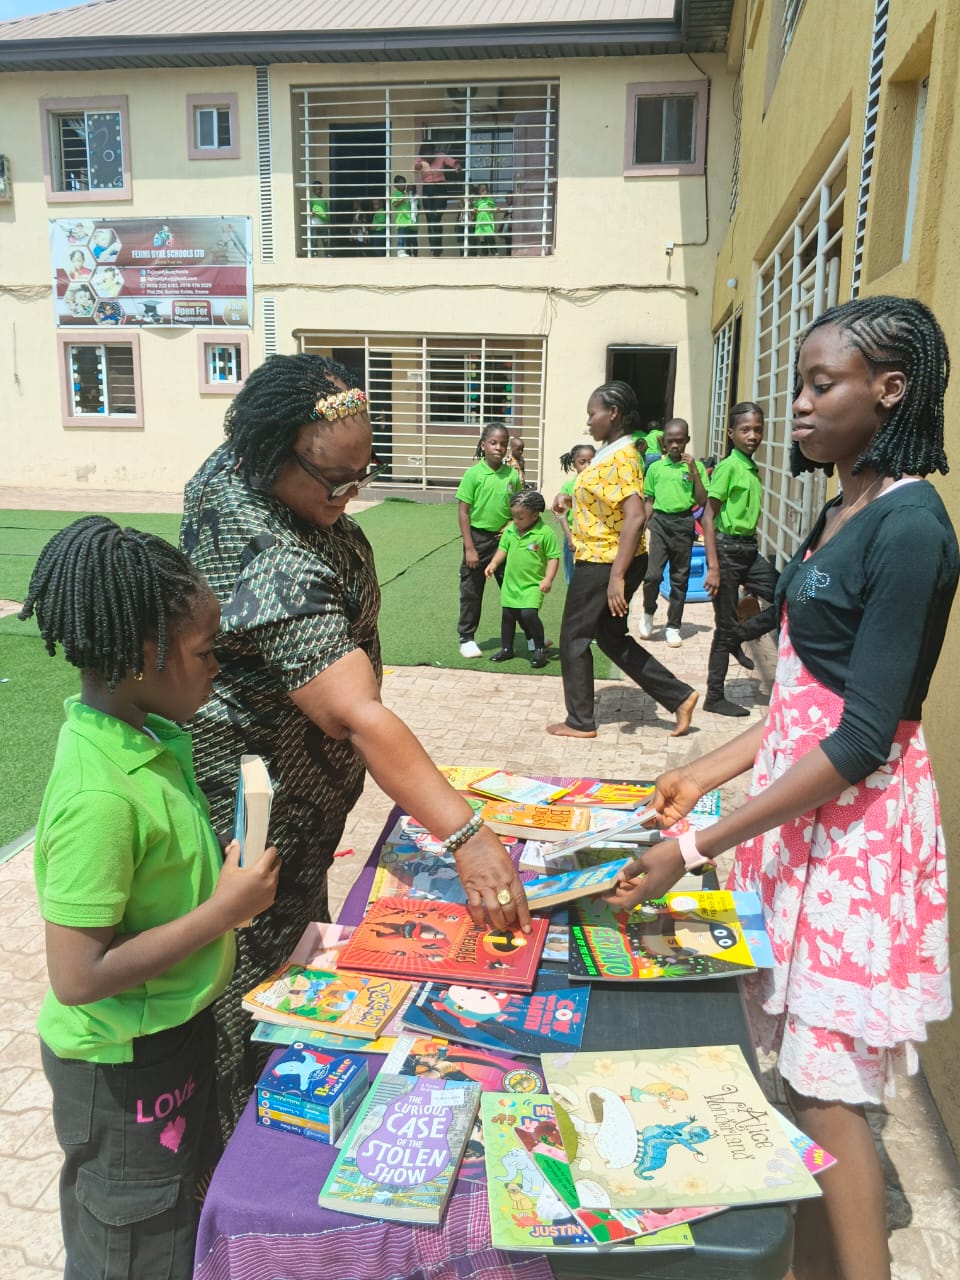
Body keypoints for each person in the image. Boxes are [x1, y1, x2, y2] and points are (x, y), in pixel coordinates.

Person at [606, 296, 957, 1280]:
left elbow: (858, 739)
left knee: (827, 1088)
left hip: (854, 837)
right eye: (799, 382)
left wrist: (694, 845)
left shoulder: (913, 527)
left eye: (821, 384)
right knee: (801, 1083)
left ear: (888, 390)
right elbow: (805, 702)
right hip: (805, 819)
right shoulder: (843, 508)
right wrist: (701, 771)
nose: (797, 405)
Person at [181, 356, 530, 1131]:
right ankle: (243, 1136)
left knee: (295, 940)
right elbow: (353, 713)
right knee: (255, 981)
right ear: (268, 457)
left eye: (362, 474)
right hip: (260, 804)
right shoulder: (261, 548)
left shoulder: (268, 462)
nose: (350, 497)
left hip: (305, 797)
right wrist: (467, 835)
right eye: (332, 481)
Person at [19, 517, 280, 1280]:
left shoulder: (148, 737)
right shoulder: (100, 792)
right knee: (131, 1249)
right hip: (123, 1069)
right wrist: (223, 912)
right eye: (205, 654)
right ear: (142, 656)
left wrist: (217, 875)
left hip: (171, 1037)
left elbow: (158, 878)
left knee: (171, 1219)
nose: (217, 670)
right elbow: (78, 975)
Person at [547, 381, 698, 739]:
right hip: (608, 558)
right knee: (611, 637)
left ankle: (580, 721)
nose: (589, 422)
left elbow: (634, 516)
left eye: (592, 414)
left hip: (603, 562)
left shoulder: (622, 456)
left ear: (612, 413)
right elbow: (610, 502)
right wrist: (572, 503)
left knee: (574, 638)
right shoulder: (610, 453)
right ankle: (679, 697)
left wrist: (616, 576)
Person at [701, 401, 780, 715]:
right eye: (745, 429)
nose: (753, 435)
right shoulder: (730, 466)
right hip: (727, 551)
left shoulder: (749, 466)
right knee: (724, 626)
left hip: (748, 550)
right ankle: (715, 697)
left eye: (758, 429)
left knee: (788, 597)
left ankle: (739, 635)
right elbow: (708, 517)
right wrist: (714, 567)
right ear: (731, 433)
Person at [638, 418, 708, 648]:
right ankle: (648, 613)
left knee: (680, 577)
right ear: (663, 443)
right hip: (660, 523)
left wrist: (694, 472)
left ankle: (673, 626)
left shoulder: (694, 467)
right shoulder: (656, 468)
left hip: (684, 522)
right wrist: (643, 524)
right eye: (671, 441)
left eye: (680, 441)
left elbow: (701, 499)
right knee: (652, 576)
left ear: (687, 440)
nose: (676, 445)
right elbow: (650, 500)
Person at [455, 420, 523, 658]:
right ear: (484, 445)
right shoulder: (473, 474)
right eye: (493, 443)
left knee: (515, 588)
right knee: (472, 590)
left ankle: (531, 634)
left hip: (505, 540)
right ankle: (467, 638)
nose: (499, 448)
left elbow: (518, 507)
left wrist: (511, 524)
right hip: (478, 539)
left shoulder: (512, 476)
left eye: (503, 444)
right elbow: (463, 511)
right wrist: (470, 548)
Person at [484, 489, 561, 668]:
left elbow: (553, 558)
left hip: (532, 585)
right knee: (508, 616)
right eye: (514, 517)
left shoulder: (545, 533)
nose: (516, 522)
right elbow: (503, 549)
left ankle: (540, 649)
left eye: (520, 518)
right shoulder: (510, 530)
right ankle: (506, 649)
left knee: (528, 614)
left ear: (535, 515)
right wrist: (494, 564)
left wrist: (548, 579)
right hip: (511, 584)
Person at [555, 442, 595, 585]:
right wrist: (569, 537)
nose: (588, 465)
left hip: (594, 537)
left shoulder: (600, 486)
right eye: (582, 462)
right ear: (574, 464)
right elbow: (562, 514)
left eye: (592, 461)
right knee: (573, 578)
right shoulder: (568, 486)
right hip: (573, 536)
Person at [413, 143, 460, 255]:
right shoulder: (420, 159)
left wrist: (457, 166)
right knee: (430, 219)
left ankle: (437, 248)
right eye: (425, 155)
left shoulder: (441, 156)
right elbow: (414, 168)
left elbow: (453, 162)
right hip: (427, 189)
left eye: (430, 154)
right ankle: (434, 250)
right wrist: (418, 166)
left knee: (436, 217)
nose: (428, 157)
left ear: (434, 152)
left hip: (440, 188)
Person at [391, 175, 416, 257]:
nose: (403, 185)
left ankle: (404, 252)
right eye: (400, 183)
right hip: (401, 219)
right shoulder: (396, 194)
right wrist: (403, 198)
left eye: (404, 183)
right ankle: (400, 251)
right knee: (401, 236)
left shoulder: (406, 194)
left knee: (406, 237)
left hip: (408, 220)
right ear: (395, 185)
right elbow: (395, 204)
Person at [471, 183, 498, 256]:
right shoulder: (478, 201)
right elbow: (475, 211)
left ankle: (494, 252)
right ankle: (484, 253)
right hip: (481, 223)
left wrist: (495, 209)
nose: (484, 192)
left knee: (490, 238)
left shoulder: (490, 200)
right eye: (482, 191)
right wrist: (475, 211)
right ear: (479, 192)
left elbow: (493, 208)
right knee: (482, 239)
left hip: (488, 223)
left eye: (486, 190)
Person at [308, 182, 330, 257]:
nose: (319, 190)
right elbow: (309, 210)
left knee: (325, 240)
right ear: (313, 190)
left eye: (320, 189)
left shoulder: (324, 200)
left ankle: (327, 254)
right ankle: (314, 255)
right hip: (314, 223)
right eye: (317, 189)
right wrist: (311, 212)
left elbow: (327, 211)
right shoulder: (312, 199)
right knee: (314, 240)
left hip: (323, 223)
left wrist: (327, 221)